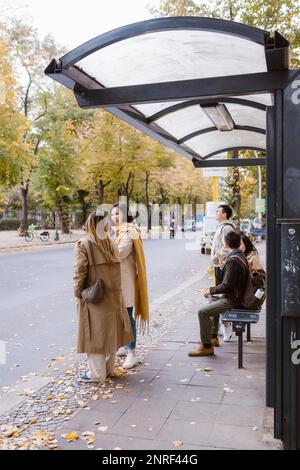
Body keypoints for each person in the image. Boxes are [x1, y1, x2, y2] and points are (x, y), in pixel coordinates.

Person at [73, 211, 133, 383]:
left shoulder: (83, 244)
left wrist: (78, 294)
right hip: (113, 296)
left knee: (94, 335)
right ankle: (108, 370)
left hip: (94, 296)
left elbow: (79, 273)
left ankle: (96, 374)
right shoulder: (111, 243)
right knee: (109, 333)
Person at [189, 231, 248, 357]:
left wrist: (210, 290)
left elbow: (226, 286)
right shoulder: (239, 256)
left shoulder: (233, 260)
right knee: (213, 300)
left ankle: (206, 347)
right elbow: (232, 280)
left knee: (202, 312)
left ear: (226, 244)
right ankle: (212, 337)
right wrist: (224, 269)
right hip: (236, 296)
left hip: (233, 299)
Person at [110, 203, 149, 369]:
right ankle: (125, 345)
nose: (114, 217)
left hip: (126, 281)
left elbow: (118, 253)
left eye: (118, 214)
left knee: (127, 315)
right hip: (118, 280)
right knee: (120, 315)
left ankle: (132, 353)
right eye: (112, 214)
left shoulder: (129, 232)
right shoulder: (120, 232)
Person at [211, 204, 235, 343]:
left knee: (221, 296)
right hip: (220, 265)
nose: (216, 213)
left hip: (223, 265)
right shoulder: (222, 227)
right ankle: (222, 325)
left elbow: (229, 246)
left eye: (218, 211)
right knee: (219, 295)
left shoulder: (226, 228)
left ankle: (227, 326)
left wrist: (218, 256)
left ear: (225, 214)